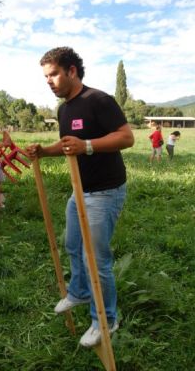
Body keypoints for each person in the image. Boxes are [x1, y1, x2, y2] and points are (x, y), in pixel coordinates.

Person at [26, 47, 134, 348]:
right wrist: (44, 152)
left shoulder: (98, 100)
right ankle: (80, 292)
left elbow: (126, 137)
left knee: (95, 259)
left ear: (72, 70)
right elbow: (66, 144)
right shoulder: (64, 110)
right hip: (80, 190)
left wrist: (87, 145)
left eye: (54, 74)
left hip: (105, 192)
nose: (49, 81)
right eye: (46, 76)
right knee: (73, 245)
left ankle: (106, 319)